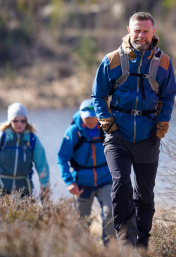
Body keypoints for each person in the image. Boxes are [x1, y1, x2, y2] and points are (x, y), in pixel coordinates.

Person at [92, 11, 176, 250]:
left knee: (145, 193)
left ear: (153, 33)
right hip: (117, 134)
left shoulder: (164, 62)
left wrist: (163, 123)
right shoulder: (111, 60)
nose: (141, 35)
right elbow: (98, 95)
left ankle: (143, 244)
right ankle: (126, 243)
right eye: (137, 30)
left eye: (146, 31)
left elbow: (168, 96)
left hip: (149, 135)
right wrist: (108, 124)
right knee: (120, 184)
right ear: (129, 31)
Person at [58, 99, 114, 244]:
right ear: (81, 116)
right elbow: (62, 158)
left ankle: (110, 250)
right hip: (82, 182)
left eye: (93, 116)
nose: (90, 120)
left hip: (105, 179)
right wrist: (69, 182)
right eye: (87, 117)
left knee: (110, 214)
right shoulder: (73, 132)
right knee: (81, 221)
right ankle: (83, 250)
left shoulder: (105, 128)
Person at [0, 102, 50, 199]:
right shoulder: (0, 139)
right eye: (15, 121)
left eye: (23, 121)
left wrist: (45, 189)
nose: (19, 124)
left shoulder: (32, 140)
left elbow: (42, 166)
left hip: (23, 191)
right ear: (10, 121)